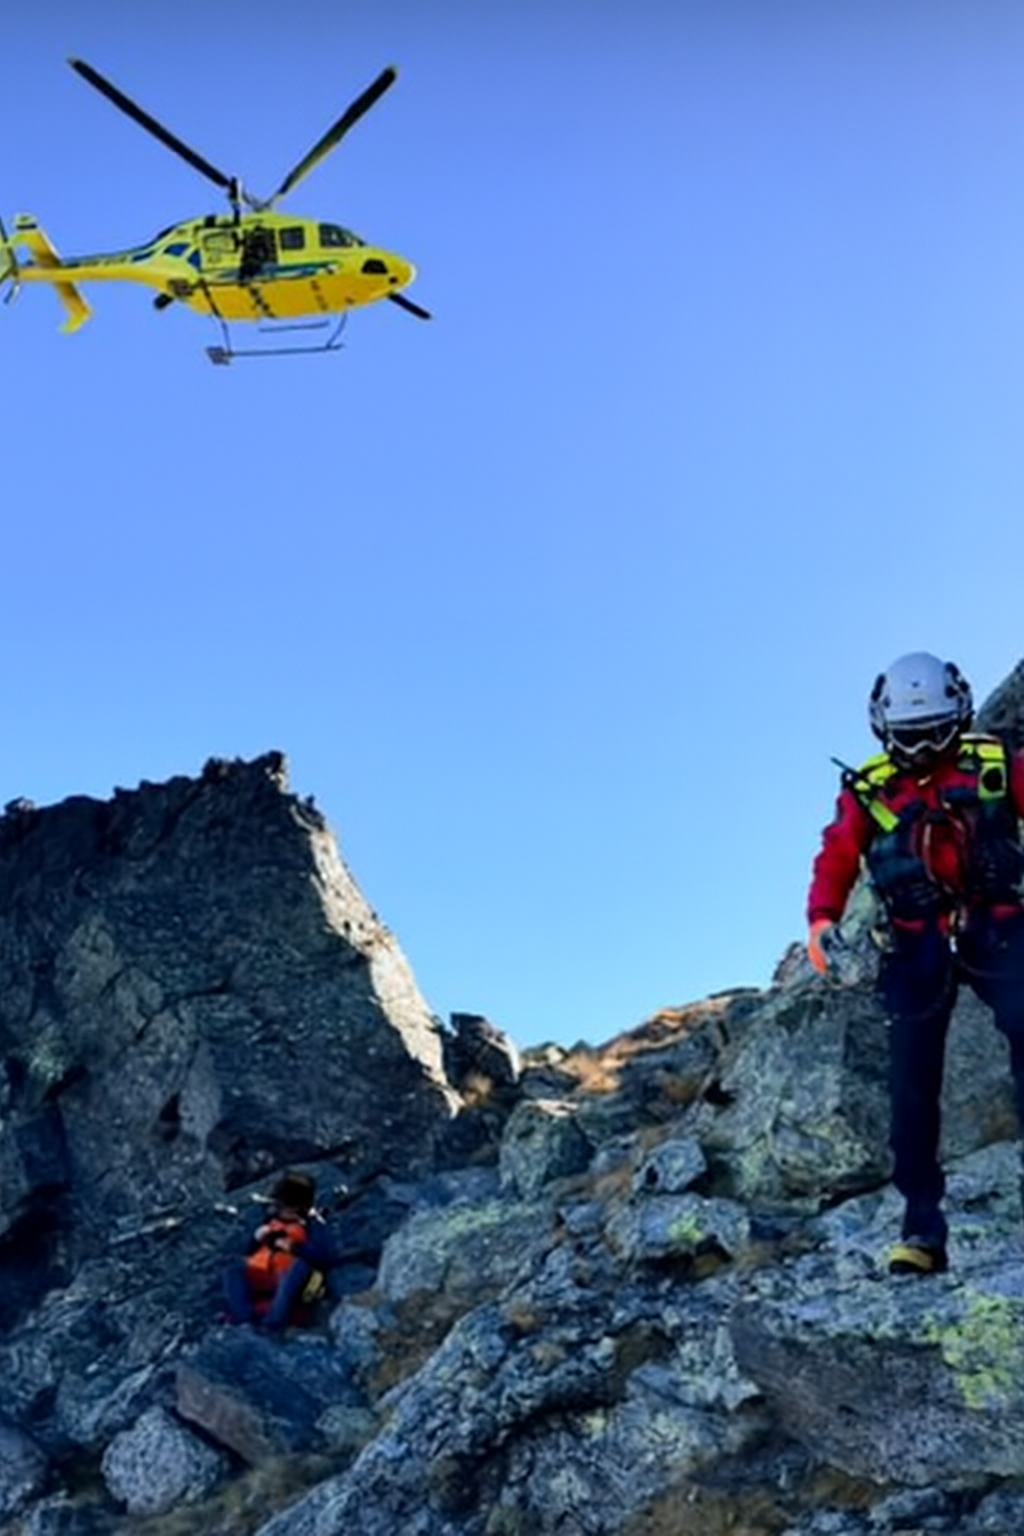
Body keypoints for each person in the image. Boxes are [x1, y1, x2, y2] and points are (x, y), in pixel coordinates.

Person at [806, 652, 1024, 1276]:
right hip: (915, 946)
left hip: (1000, 930)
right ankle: (921, 1229)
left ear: (961, 718)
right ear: (883, 730)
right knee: (910, 1092)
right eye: (909, 737)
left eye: (936, 733)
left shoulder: (996, 764)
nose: (923, 750)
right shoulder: (868, 790)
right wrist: (821, 919)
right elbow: (836, 856)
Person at [223, 1170, 337, 1331]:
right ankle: (242, 1316)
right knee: (232, 1267)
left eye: (288, 1207)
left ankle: (273, 1322)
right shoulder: (269, 1220)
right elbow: (248, 1252)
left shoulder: (313, 1225)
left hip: (289, 1280)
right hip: (264, 1273)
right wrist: (256, 1238)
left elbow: (324, 1257)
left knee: (298, 1268)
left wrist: (293, 1247)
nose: (284, 1211)